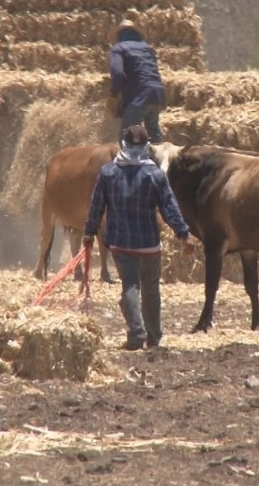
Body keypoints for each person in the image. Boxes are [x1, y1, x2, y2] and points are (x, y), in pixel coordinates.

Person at [83, 125, 190, 350]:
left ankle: (136, 333)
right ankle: (153, 337)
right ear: (145, 147)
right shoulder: (156, 175)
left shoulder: (108, 173)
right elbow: (169, 207)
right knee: (151, 289)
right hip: (149, 244)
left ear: (124, 145)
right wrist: (182, 233)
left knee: (130, 286)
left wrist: (89, 232)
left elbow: (96, 206)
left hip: (120, 243)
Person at [107, 19, 167, 143]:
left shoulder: (119, 48)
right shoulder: (148, 49)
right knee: (154, 134)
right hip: (157, 94)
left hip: (138, 97)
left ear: (119, 35)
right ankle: (157, 161)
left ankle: (127, 162)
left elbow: (118, 74)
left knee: (127, 136)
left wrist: (113, 94)